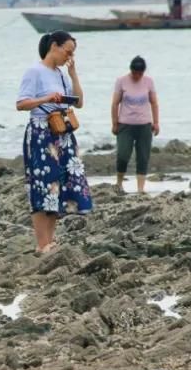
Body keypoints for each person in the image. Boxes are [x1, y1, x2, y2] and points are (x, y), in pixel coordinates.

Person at [16, 31, 93, 253]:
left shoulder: (61, 74)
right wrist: (47, 99)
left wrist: (73, 74)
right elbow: (21, 104)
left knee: (59, 186)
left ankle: (50, 241)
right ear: (54, 46)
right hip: (42, 132)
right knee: (43, 185)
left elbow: (79, 102)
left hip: (62, 133)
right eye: (67, 52)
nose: (69, 57)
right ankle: (42, 244)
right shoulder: (34, 71)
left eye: (72, 54)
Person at [111, 55, 160, 194]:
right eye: (135, 73)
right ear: (131, 70)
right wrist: (115, 123)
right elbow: (115, 103)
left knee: (143, 156)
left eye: (140, 73)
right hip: (125, 124)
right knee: (123, 154)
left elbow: (154, 103)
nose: (137, 76)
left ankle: (140, 189)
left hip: (144, 125)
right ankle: (119, 183)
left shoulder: (149, 81)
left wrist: (156, 122)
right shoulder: (121, 81)